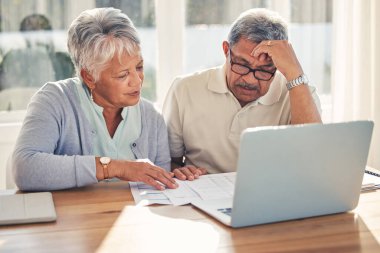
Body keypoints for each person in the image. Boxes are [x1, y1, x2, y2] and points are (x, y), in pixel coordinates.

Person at [12, 7, 178, 191]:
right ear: (89, 77)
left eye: (139, 67)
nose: (137, 81)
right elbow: (25, 169)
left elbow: (163, 183)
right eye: (123, 75)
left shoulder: (152, 117)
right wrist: (114, 167)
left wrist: (180, 174)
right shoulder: (53, 101)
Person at [163, 8, 322, 180]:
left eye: (264, 70)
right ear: (226, 50)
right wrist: (177, 171)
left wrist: (294, 72)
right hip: (199, 196)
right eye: (242, 64)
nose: (250, 80)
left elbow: (313, 160)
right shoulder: (184, 89)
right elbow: (169, 161)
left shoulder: (299, 92)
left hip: (271, 197)